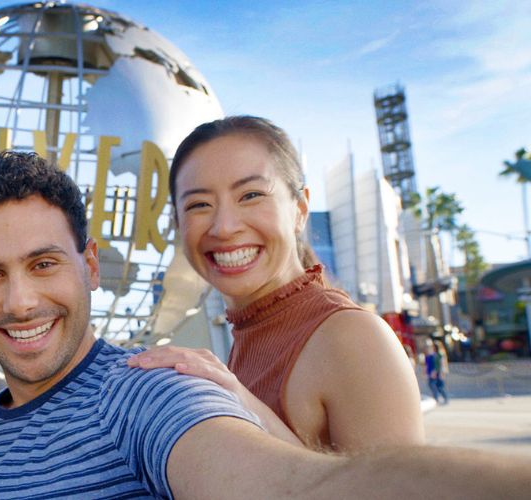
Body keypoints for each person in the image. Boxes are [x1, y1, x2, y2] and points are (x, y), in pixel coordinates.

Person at [0, 151, 528, 498]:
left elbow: (298, 487)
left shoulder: (149, 391)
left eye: (44, 264)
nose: (20, 302)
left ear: (89, 266)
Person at [128, 115, 423, 452]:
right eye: (199, 205)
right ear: (178, 224)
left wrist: (244, 404)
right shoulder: (245, 336)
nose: (224, 227)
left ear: (299, 209)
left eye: (251, 195)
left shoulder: (352, 337)